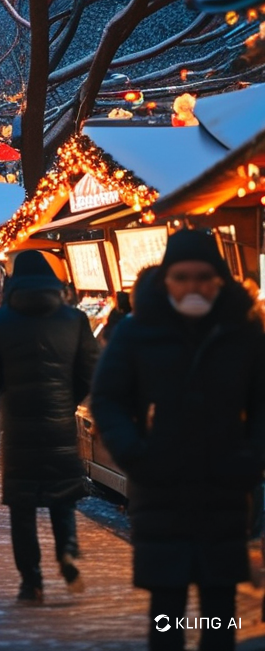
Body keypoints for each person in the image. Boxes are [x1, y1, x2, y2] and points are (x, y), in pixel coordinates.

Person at [91, 229, 265, 651]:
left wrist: (250, 458)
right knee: (167, 610)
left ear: (219, 279)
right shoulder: (138, 331)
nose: (192, 286)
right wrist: (134, 451)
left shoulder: (242, 332)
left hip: (223, 488)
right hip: (160, 486)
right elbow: (108, 399)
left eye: (202, 276)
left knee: (219, 611)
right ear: (166, 279)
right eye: (182, 276)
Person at [0, 251, 99, 602]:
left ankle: (32, 582)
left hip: (17, 422)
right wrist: (69, 397)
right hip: (58, 418)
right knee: (63, 494)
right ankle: (67, 551)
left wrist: (0, 399)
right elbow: (90, 368)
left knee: (22, 505)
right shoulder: (74, 320)